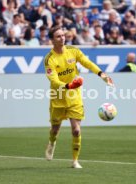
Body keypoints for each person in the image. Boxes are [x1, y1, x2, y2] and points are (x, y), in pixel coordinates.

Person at [44, 26, 113, 168]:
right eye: (58, 36)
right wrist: (68, 86)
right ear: (52, 40)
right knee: (55, 129)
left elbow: (87, 63)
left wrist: (102, 74)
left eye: (63, 35)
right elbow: (54, 80)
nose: (62, 38)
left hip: (74, 96)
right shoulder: (49, 59)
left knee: (76, 130)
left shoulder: (73, 51)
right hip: (58, 96)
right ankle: (52, 142)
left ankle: (75, 160)